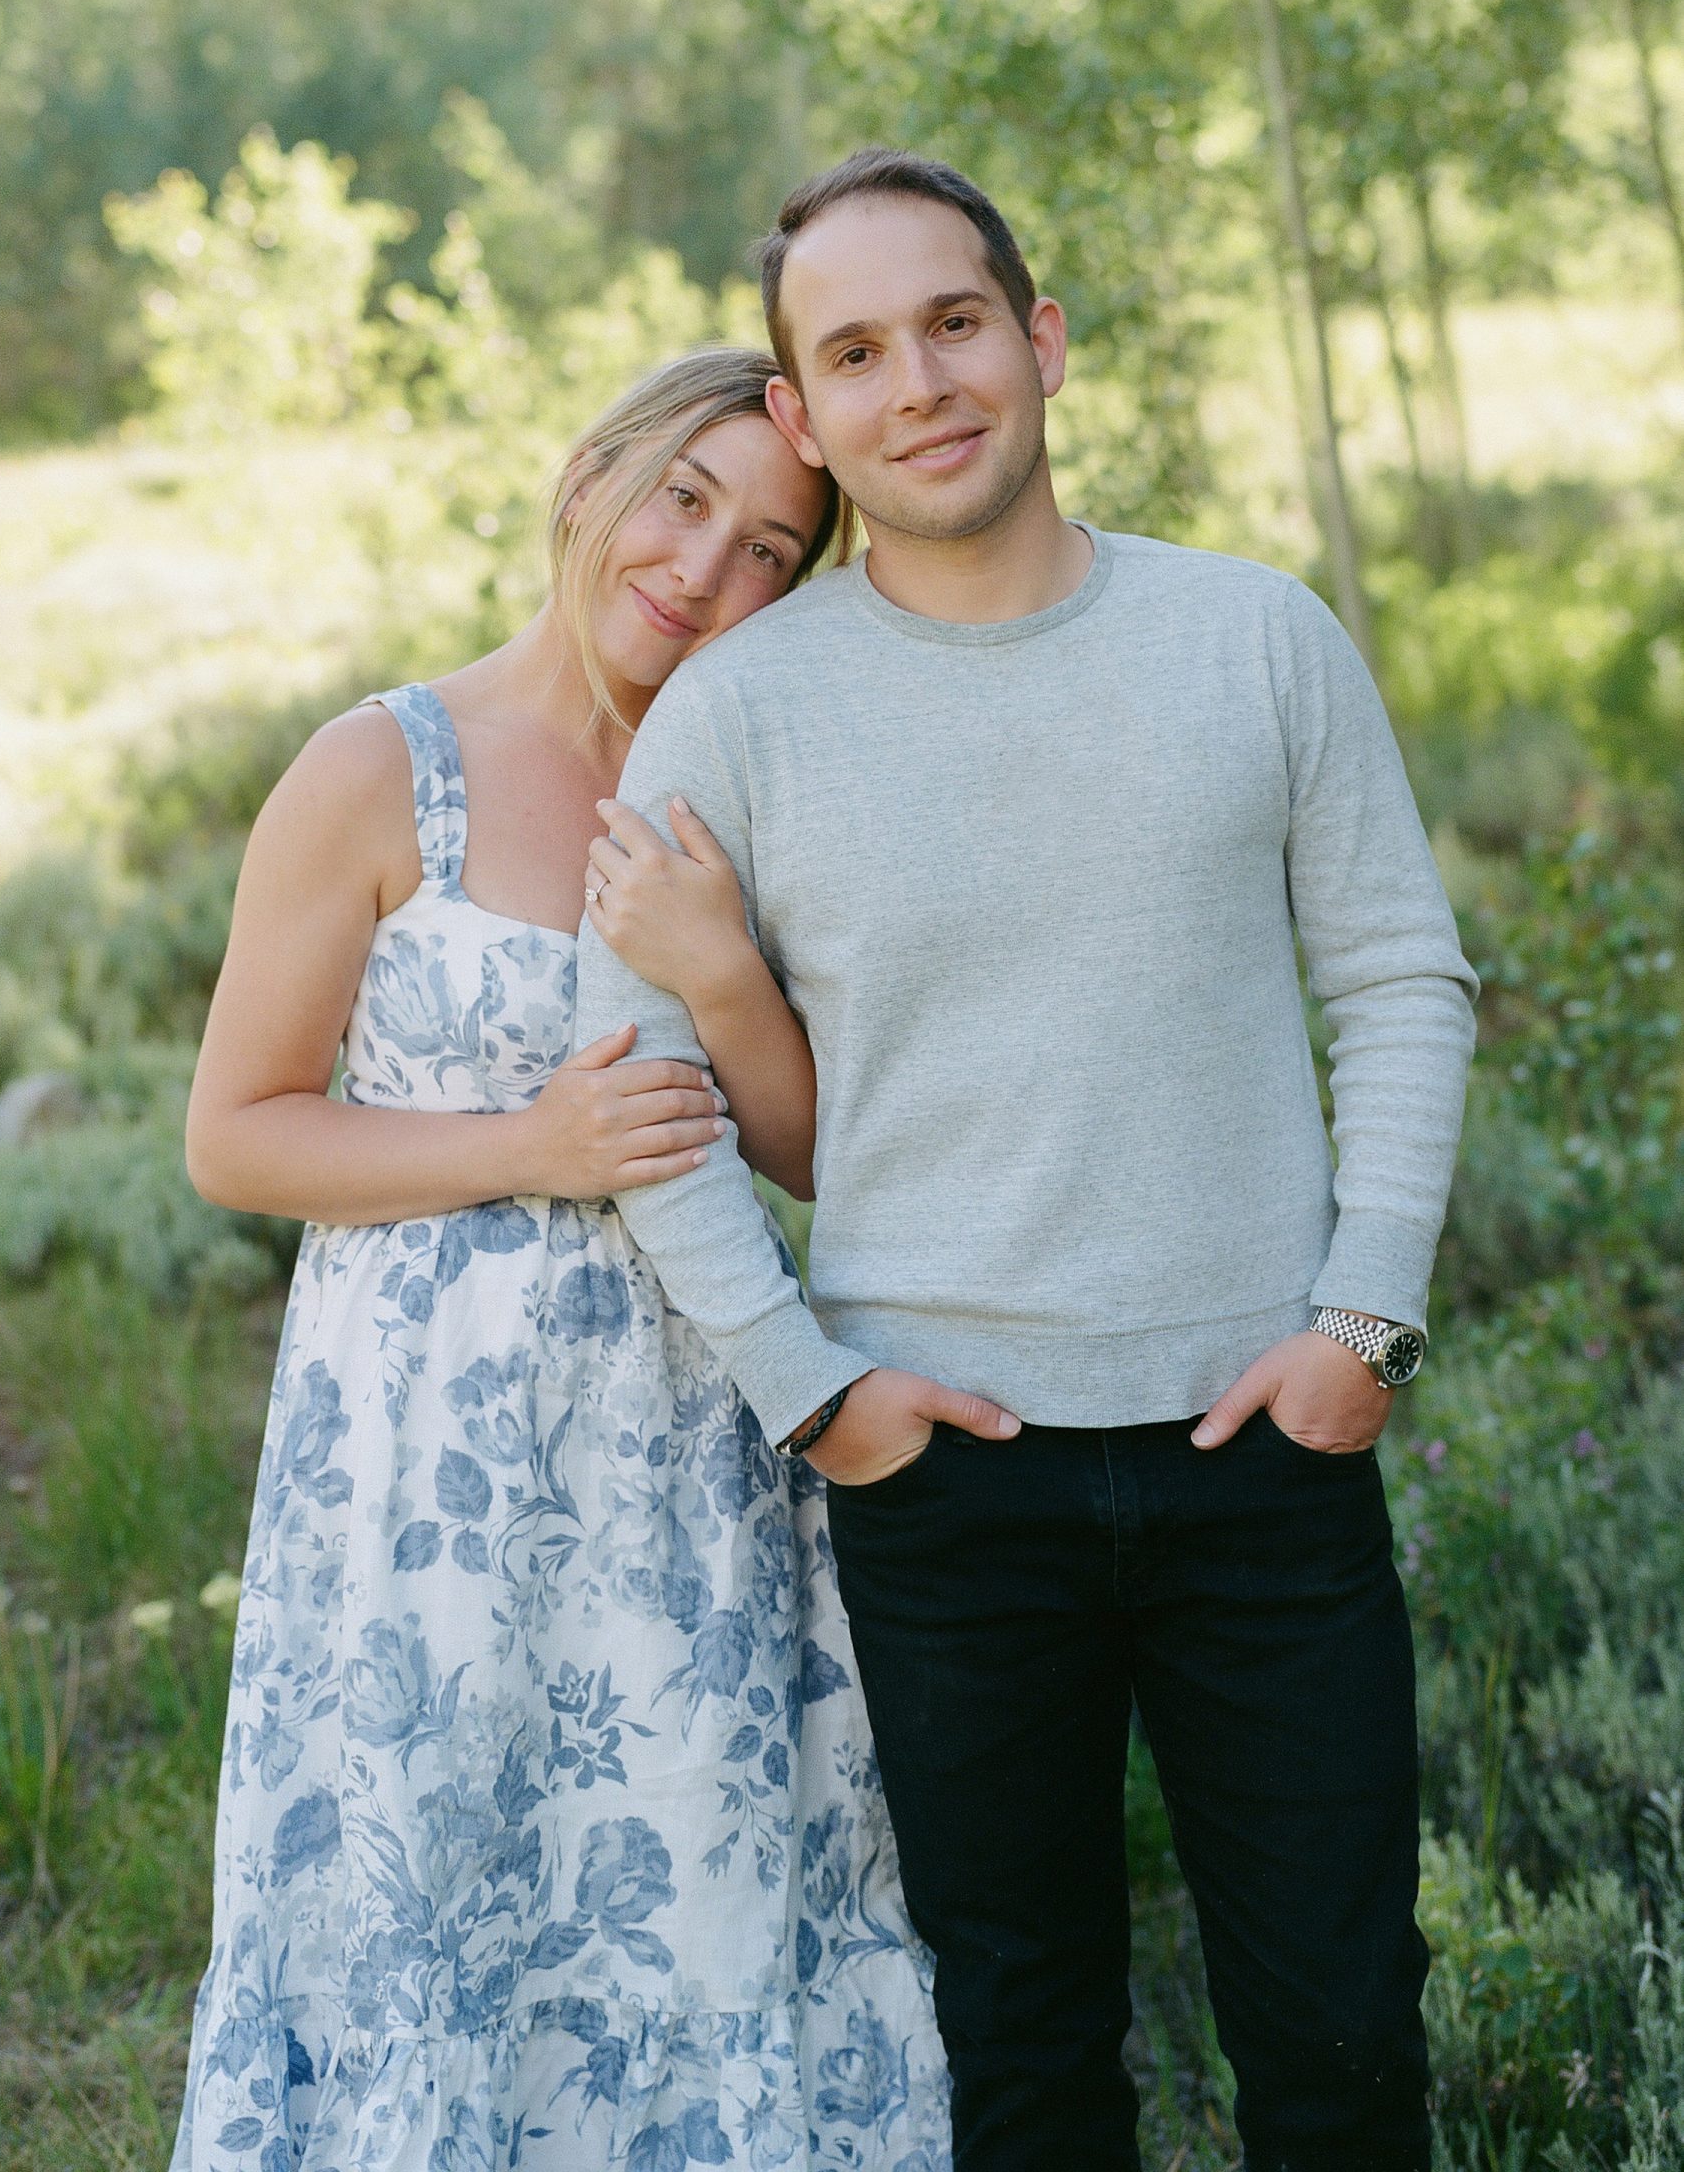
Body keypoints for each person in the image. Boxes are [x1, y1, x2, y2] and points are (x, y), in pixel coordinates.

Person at [575, 151, 1480, 2171]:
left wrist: (1363, 1321)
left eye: (955, 320)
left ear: (1039, 339)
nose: (922, 381)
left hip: (1265, 1453)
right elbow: (633, 1085)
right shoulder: (730, 716)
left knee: (1340, 2036)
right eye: (857, 349)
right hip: (943, 1478)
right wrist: (806, 1389)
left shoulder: (1254, 635)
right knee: (1025, 2045)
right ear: (802, 415)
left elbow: (1401, 978)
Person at [169, 347, 951, 2172]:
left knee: (688, 1843)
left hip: (691, 1435)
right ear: (593, 477)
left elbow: (820, 1153)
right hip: (425, 1459)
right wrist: (531, 1150)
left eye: (770, 549)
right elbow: (236, 1131)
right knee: (438, 1857)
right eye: (683, 499)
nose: (704, 570)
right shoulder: (382, 771)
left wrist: (724, 965)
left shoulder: (742, 794)